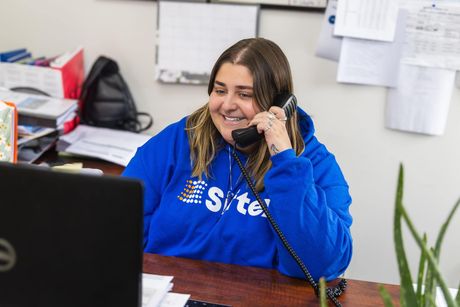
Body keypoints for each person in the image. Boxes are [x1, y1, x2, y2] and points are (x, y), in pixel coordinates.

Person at [123, 38, 352, 281]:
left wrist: (285, 161)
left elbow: (321, 266)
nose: (227, 105)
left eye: (244, 94)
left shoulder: (314, 163)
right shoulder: (180, 140)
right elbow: (120, 225)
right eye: (220, 91)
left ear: (276, 103)